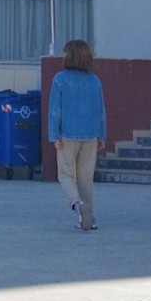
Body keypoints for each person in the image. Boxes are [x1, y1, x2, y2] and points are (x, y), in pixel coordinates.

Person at [48, 40, 106, 232]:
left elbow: (55, 110)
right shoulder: (95, 80)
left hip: (67, 135)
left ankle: (77, 204)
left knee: (65, 174)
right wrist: (102, 134)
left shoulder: (60, 79)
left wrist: (54, 135)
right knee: (86, 178)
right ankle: (91, 217)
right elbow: (101, 110)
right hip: (90, 135)